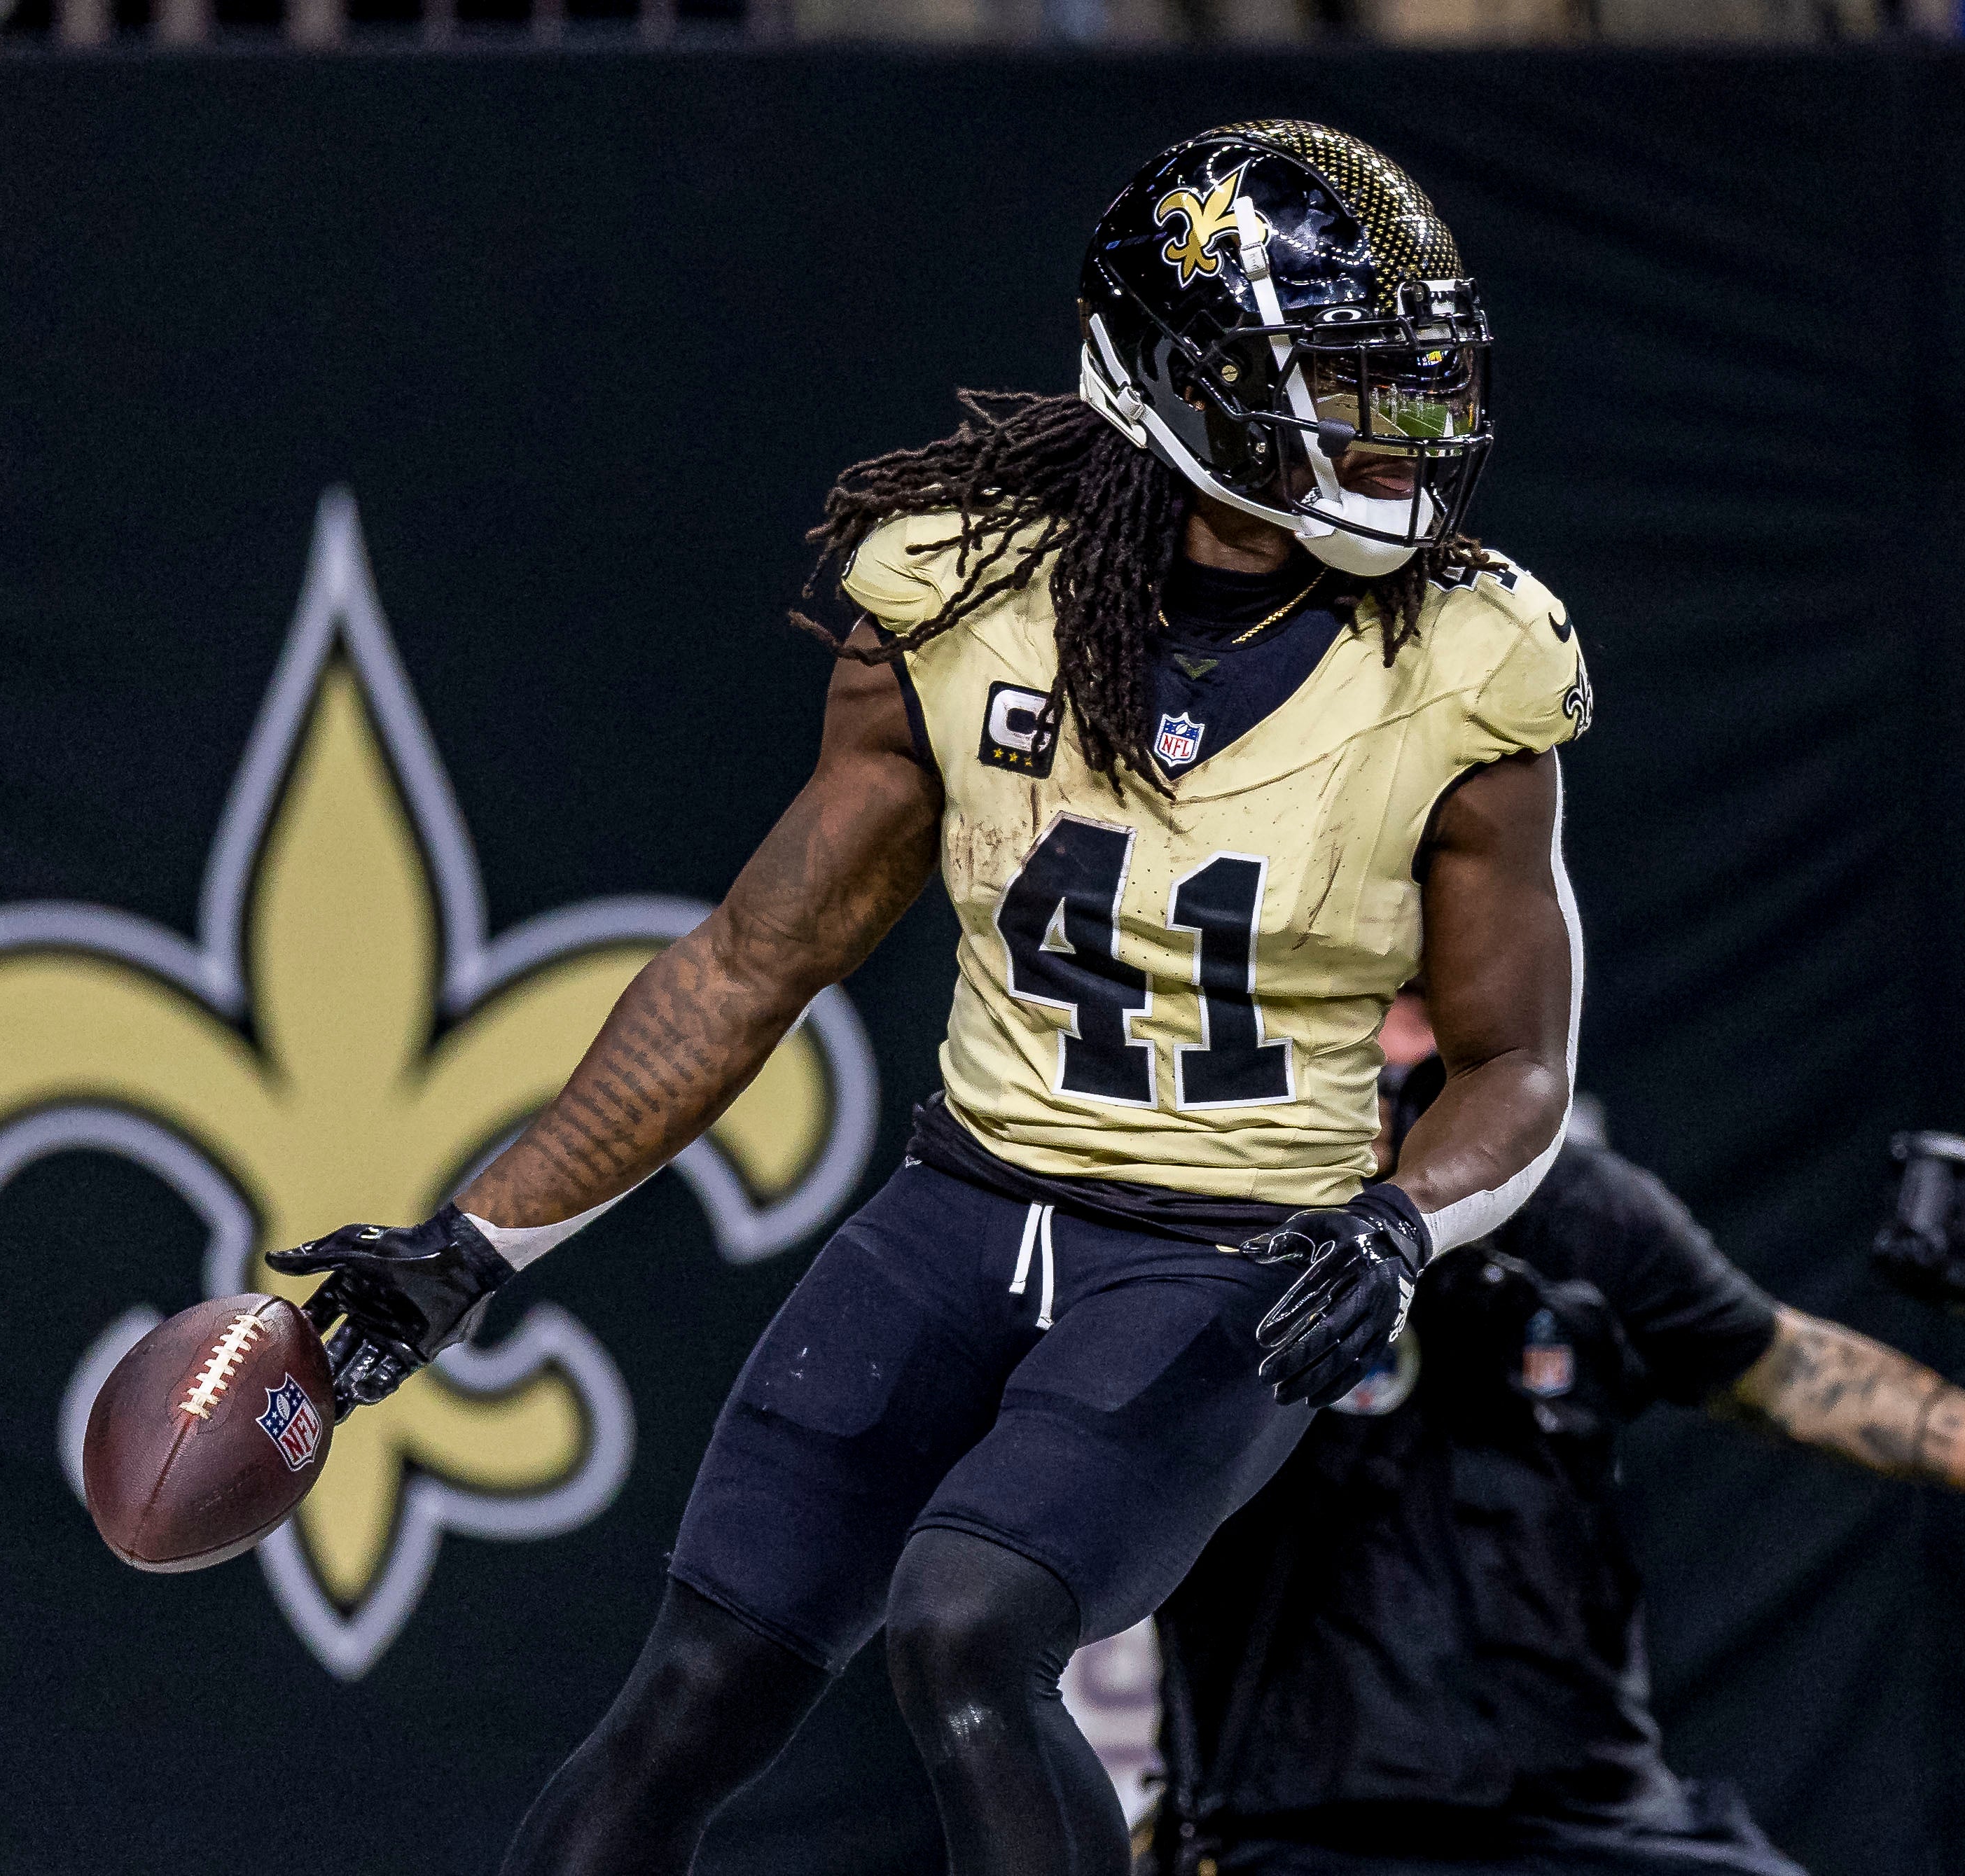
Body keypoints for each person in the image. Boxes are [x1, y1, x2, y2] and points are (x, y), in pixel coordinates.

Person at [264, 121, 1594, 1876]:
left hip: (1230, 1246)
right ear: (1183, 380)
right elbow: (752, 963)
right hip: (962, 1203)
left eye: (1410, 383)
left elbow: (1519, 1062)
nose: (1395, 432)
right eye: (1340, 383)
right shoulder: (966, 585)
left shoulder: (1472, 655)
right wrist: (475, 1240)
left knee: (966, 1627)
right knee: (695, 1683)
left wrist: (1399, 1225)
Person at [1142, 993, 1965, 1876]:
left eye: (1416, 1015)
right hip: (1300, 1831)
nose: (1386, 1051)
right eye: (1355, 1016)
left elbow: (1779, 1366)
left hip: (1593, 1821)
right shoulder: (1203, 1225)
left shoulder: (1577, 1209)